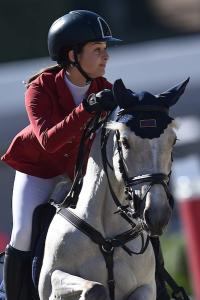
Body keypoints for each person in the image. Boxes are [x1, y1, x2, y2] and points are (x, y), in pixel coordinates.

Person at [1, 10, 121, 300]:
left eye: (105, 50)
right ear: (72, 55)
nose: (106, 57)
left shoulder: (104, 89)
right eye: (97, 50)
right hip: (39, 170)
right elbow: (48, 142)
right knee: (23, 232)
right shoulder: (39, 88)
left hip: (79, 172)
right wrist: (87, 109)